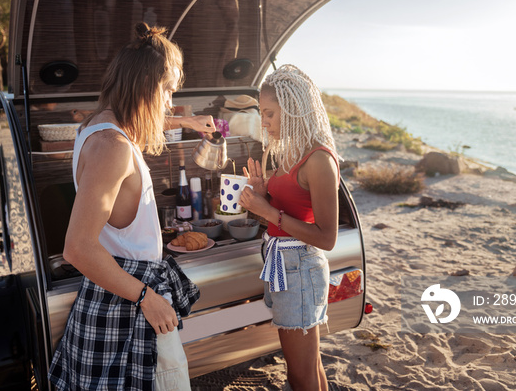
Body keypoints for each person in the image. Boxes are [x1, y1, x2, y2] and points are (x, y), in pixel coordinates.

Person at [48, 22, 216, 390]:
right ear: (145, 86)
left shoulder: (96, 125)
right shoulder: (114, 148)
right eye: (168, 91)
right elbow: (77, 247)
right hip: (130, 300)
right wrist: (147, 298)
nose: (170, 101)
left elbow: (140, 123)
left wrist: (184, 120)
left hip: (114, 294)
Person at [240, 64, 339, 391]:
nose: (263, 122)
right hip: (285, 264)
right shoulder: (291, 152)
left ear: (292, 110)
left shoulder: (319, 160)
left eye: (269, 113)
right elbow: (285, 210)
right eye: (260, 113)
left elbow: (327, 238)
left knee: (300, 375)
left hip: (300, 267)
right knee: (309, 368)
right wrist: (263, 194)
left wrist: (268, 210)